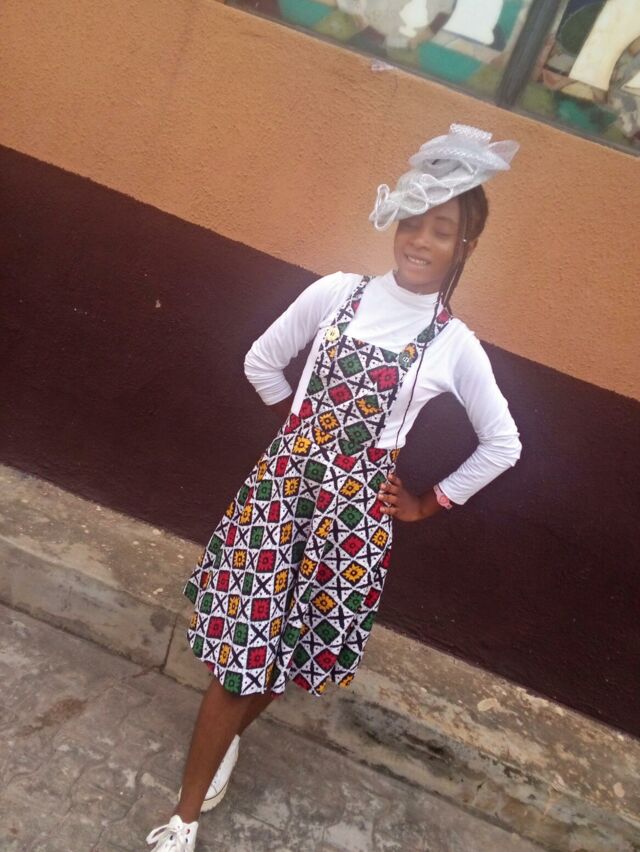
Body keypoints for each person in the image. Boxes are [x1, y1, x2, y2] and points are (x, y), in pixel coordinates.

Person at [146, 123, 522, 851]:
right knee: (240, 660)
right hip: (279, 500)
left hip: (349, 524)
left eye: (441, 229)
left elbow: (504, 443)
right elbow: (261, 361)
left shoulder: (453, 345)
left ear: (465, 246)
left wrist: (428, 502)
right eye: (413, 220)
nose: (420, 239)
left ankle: (226, 744)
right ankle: (184, 818)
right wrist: (300, 435)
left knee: (287, 647)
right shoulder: (337, 293)